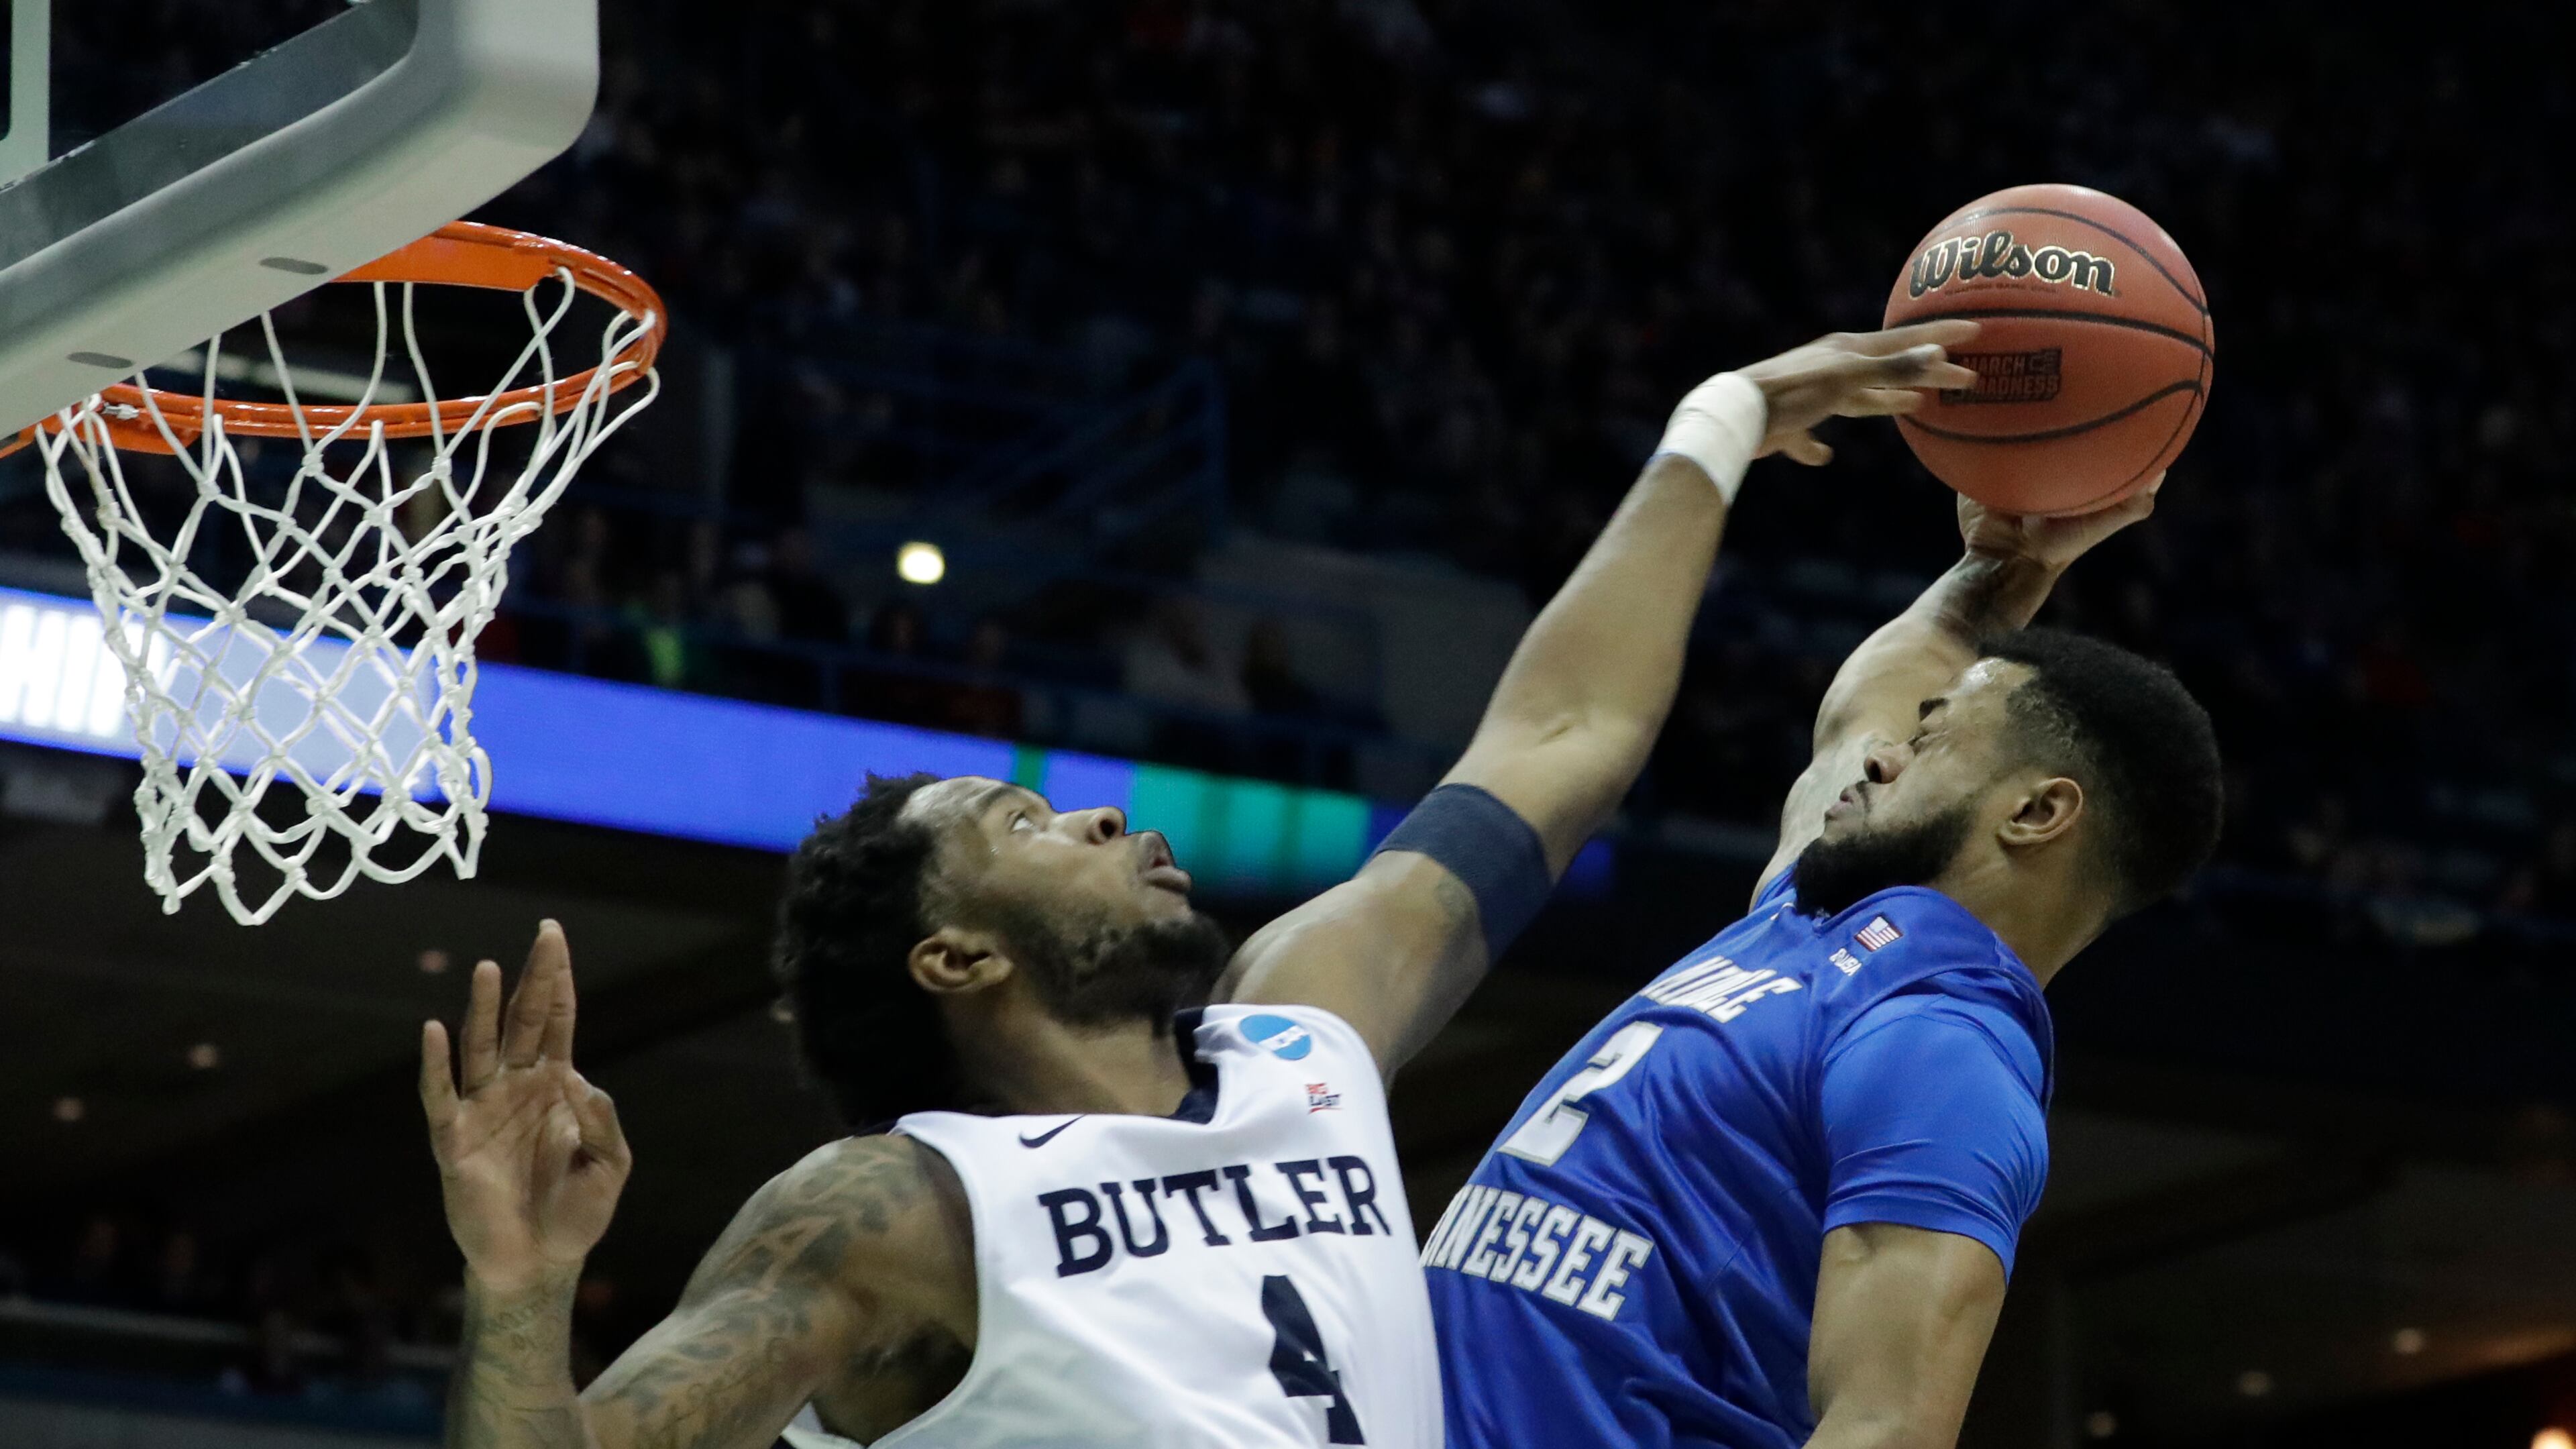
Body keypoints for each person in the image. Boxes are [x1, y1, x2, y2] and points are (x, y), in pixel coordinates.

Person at [415, 324, 1982, 1449]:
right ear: (951, 958)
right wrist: (522, 1282)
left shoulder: (1301, 1039)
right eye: (1025, 822)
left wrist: (1717, 419)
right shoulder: (896, 1207)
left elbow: (1557, 743)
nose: (1102, 816)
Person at [1424, 481, 2223, 1449]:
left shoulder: (1944, 1047)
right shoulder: (1810, 911)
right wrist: (2002, 569)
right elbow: (1859, 708)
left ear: (2035, 813)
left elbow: (1886, 1428)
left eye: (1927, 743)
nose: (1884, 758)